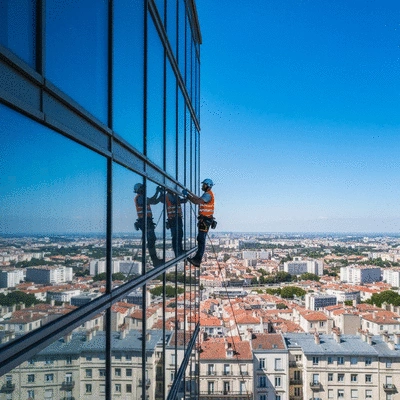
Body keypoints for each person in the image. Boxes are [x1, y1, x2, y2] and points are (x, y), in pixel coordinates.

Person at [182, 178, 215, 267]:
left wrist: (188, 196)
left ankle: (197, 260)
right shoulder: (206, 195)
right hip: (205, 221)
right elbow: (198, 198)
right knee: (201, 239)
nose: (202, 186)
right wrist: (189, 194)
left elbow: (196, 201)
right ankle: (197, 259)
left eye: (204, 184)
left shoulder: (208, 195)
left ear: (208, 186)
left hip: (205, 221)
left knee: (201, 240)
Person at [133, 183, 163, 267]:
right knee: (151, 240)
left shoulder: (142, 197)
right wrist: (157, 192)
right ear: (139, 189)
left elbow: (155, 201)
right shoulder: (140, 198)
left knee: (152, 239)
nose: (144, 189)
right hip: (145, 222)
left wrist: (160, 194)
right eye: (142, 188)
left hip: (147, 222)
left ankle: (155, 260)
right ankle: (155, 261)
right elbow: (153, 201)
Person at [164, 190, 187, 257]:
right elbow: (175, 201)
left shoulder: (173, 196)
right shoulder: (169, 196)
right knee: (176, 236)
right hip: (173, 219)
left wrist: (186, 197)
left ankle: (180, 250)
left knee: (179, 235)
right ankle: (178, 252)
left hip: (177, 219)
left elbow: (183, 201)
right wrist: (179, 194)